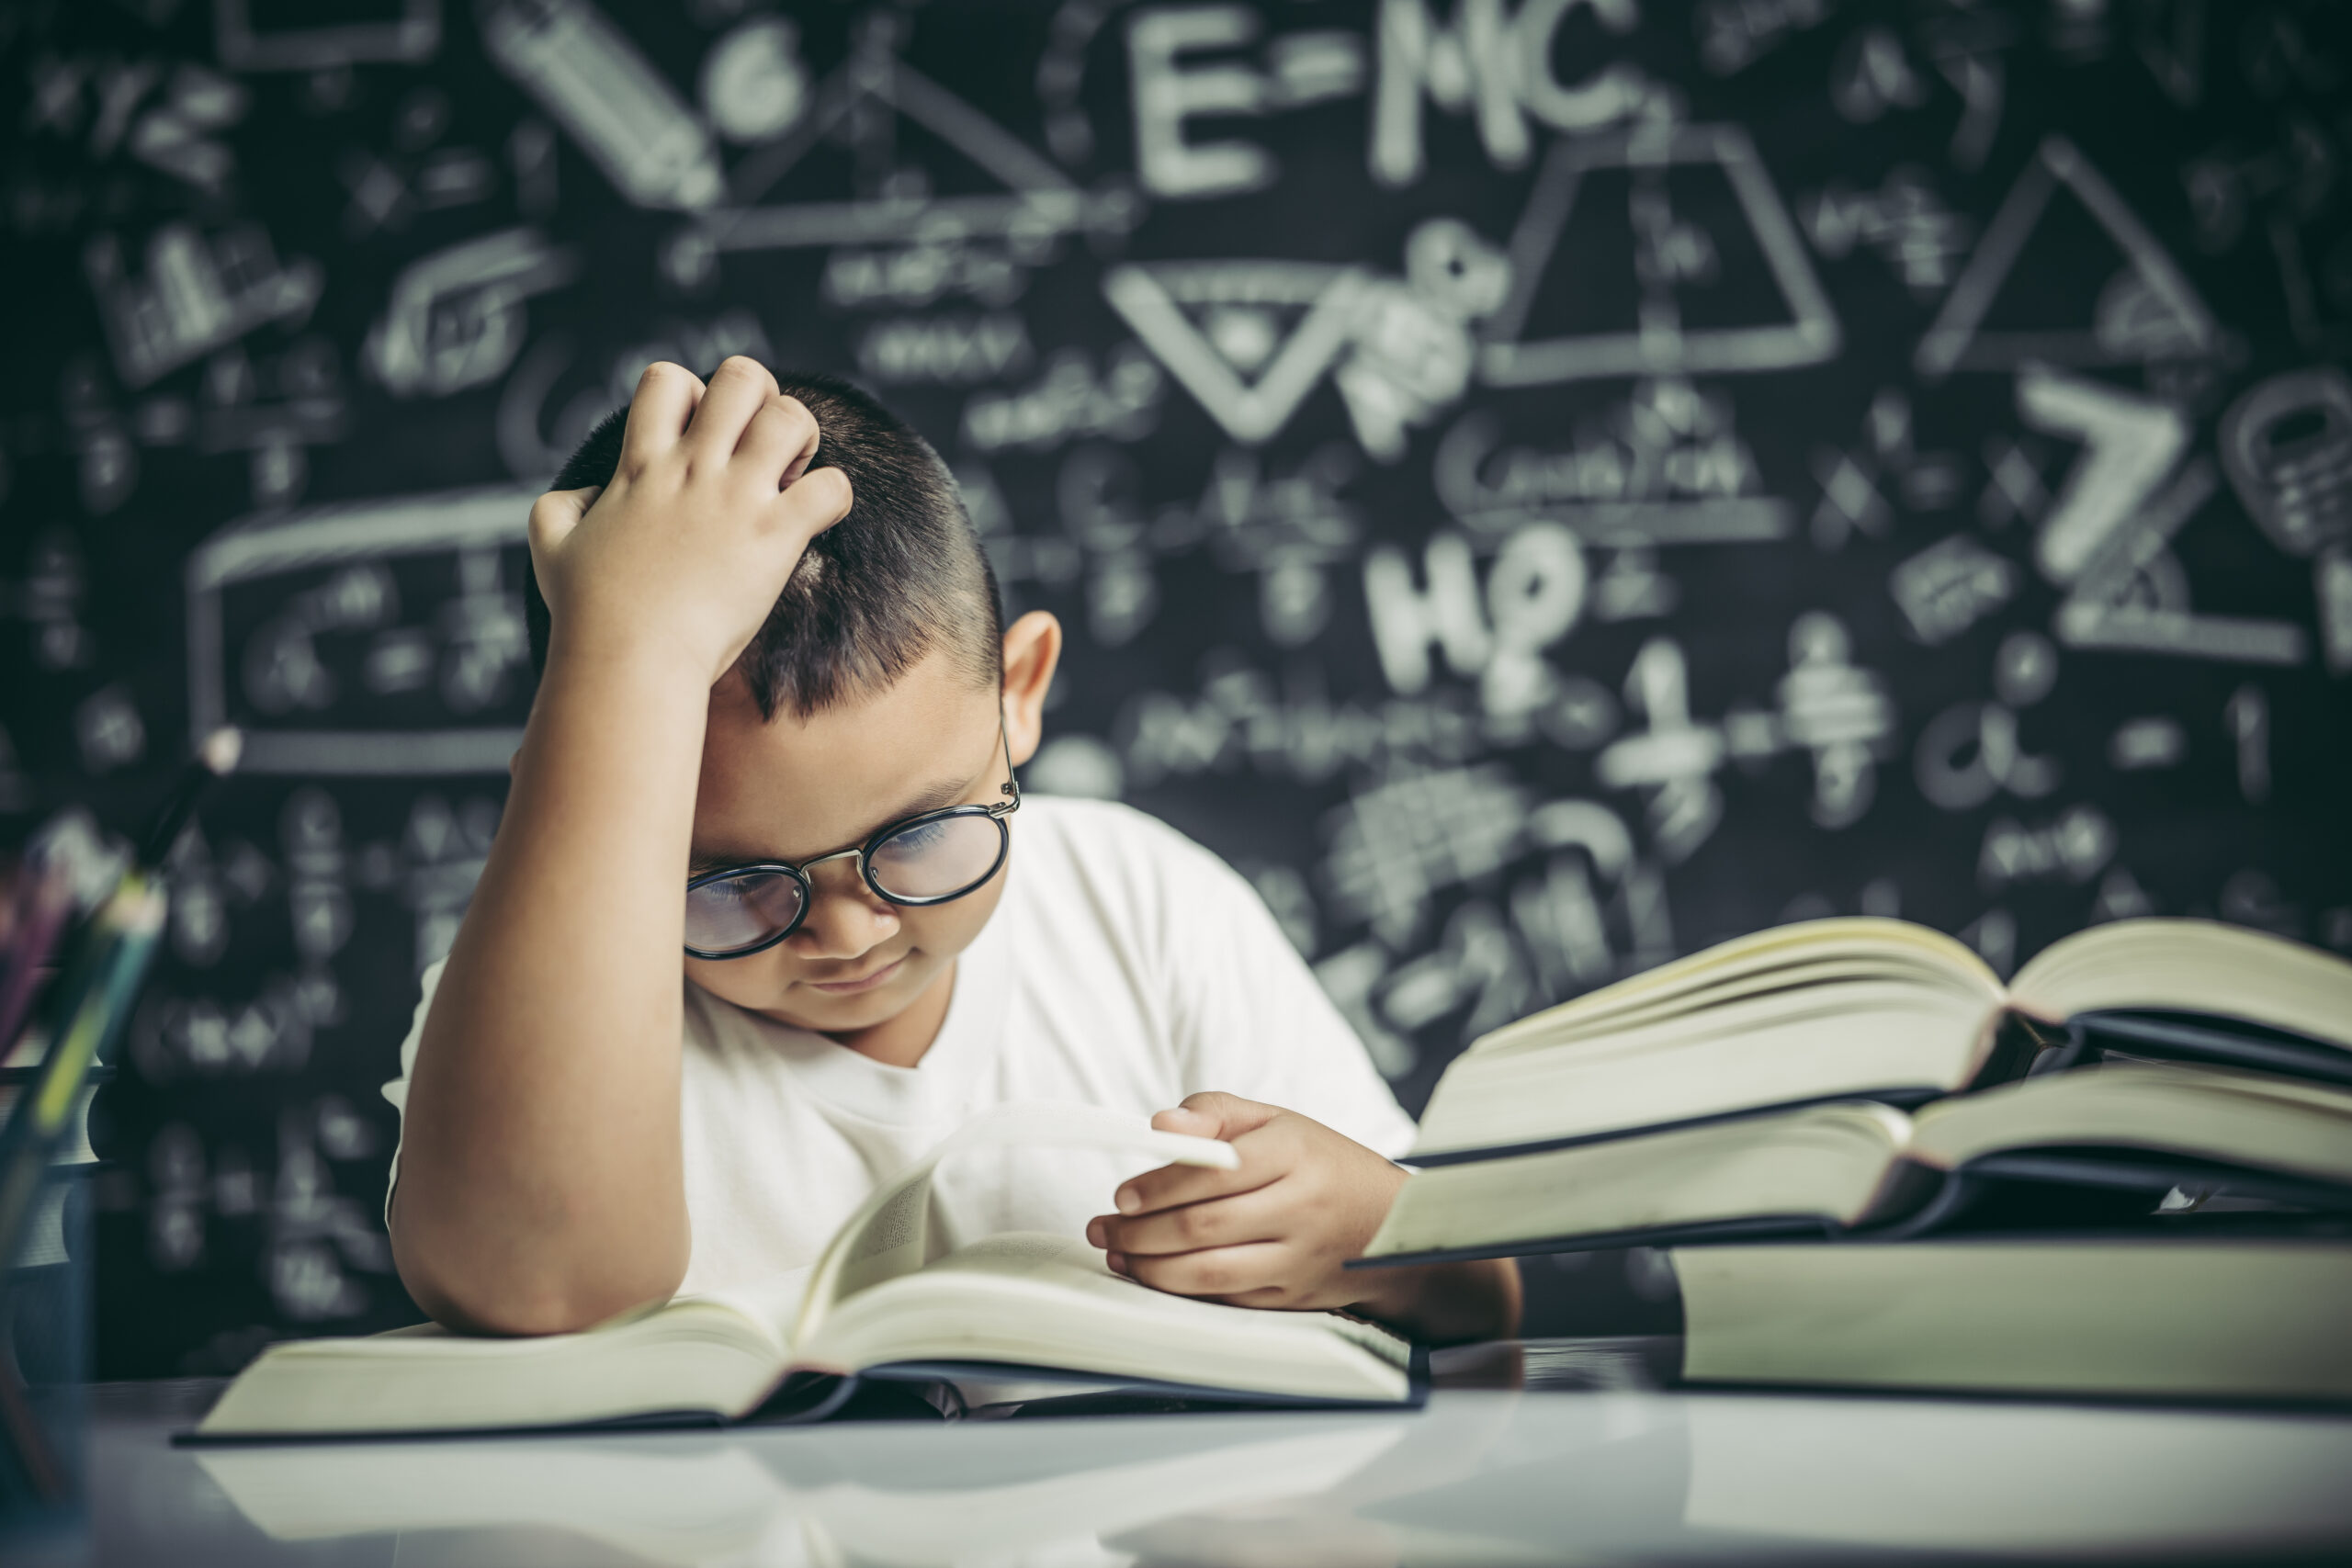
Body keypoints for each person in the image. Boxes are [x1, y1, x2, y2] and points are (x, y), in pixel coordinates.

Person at [383, 356, 1520, 1344]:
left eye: (921, 836)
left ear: (1018, 697)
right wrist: (629, 656)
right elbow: (537, 1279)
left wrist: (1380, 1237)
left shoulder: (1139, 901)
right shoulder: (533, 992)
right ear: (596, 808)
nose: (849, 929)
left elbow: (1489, 1290)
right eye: (728, 883)